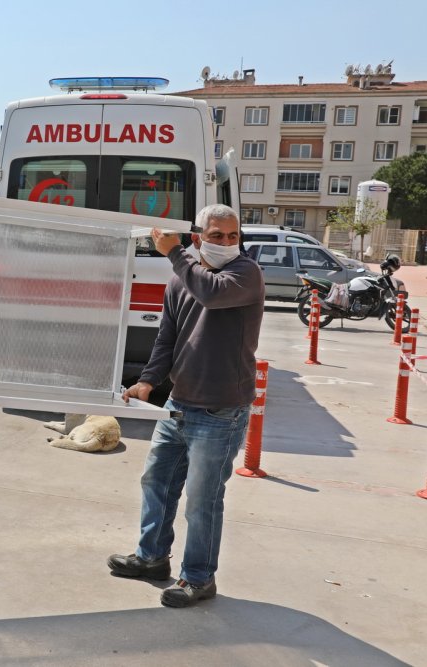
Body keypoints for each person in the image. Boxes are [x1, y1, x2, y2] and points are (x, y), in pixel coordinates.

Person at [107, 204, 264, 608]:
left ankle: (198, 578)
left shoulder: (245, 274)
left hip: (220, 411)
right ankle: (152, 558)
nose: (227, 243)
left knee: (202, 500)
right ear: (199, 237)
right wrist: (147, 380)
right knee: (156, 483)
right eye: (217, 236)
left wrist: (174, 253)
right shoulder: (182, 280)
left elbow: (211, 294)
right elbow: (167, 337)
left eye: (233, 236)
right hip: (178, 405)